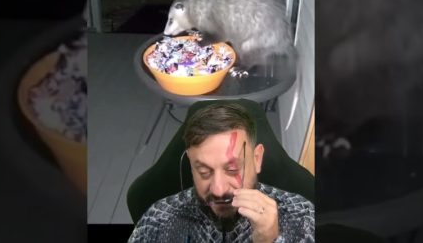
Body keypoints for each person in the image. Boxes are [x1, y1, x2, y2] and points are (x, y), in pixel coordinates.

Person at [128, 102, 315, 242]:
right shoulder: (159, 220)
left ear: (257, 159)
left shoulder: (300, 215)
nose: (218, 190)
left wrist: (271, 240)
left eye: (232, 169)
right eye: (203, 171)